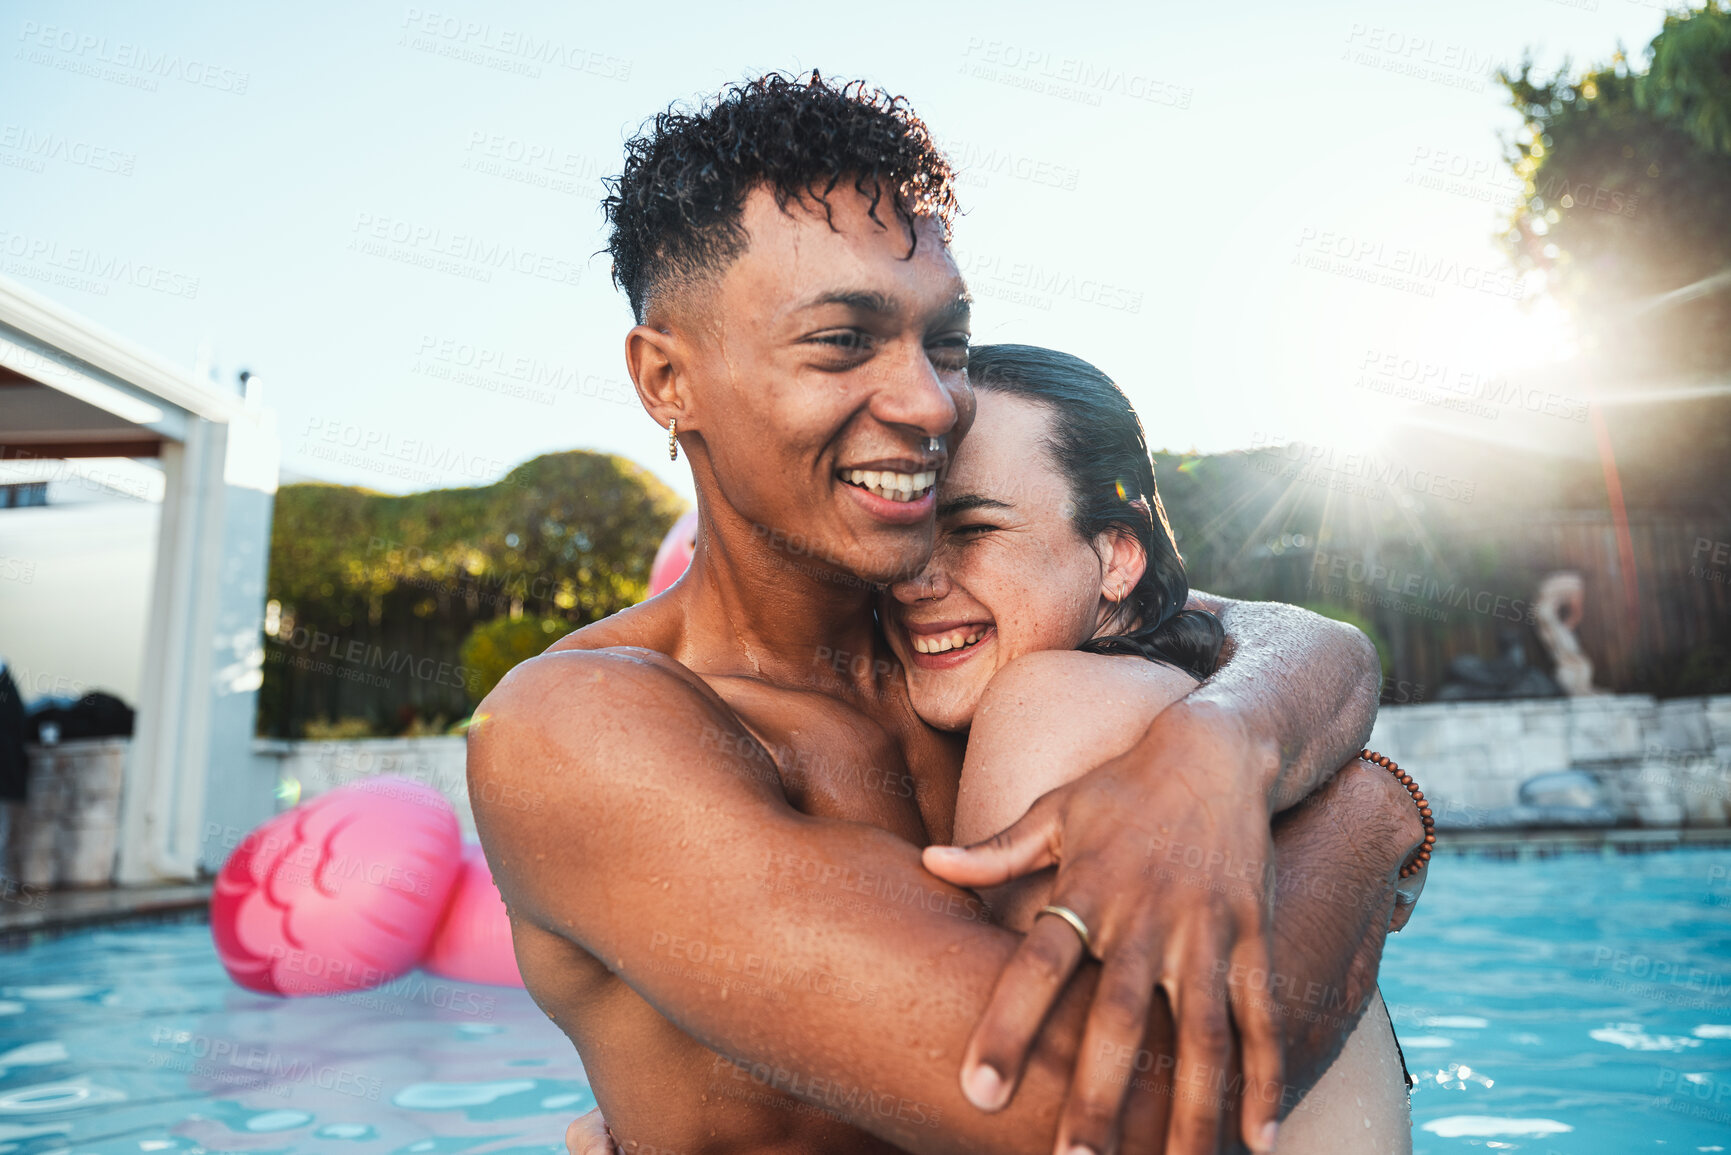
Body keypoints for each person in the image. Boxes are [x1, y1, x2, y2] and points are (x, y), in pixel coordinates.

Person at [468, 72, 1424, 1155]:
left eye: (947, 343)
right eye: (841, 341)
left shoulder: (957, 629)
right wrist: (1371, 817)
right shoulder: (577, 731)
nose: (931, 403)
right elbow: (1100, 1121)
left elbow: (1296, 638)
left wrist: (1223, 744)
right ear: (667, 380)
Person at [878, 344, 1422, 1152]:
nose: (914, 579)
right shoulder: (1181, 687)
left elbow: (1082, 1121)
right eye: (912, 530)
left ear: (1117, 556)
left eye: (973, 528)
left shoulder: (1047, 702)